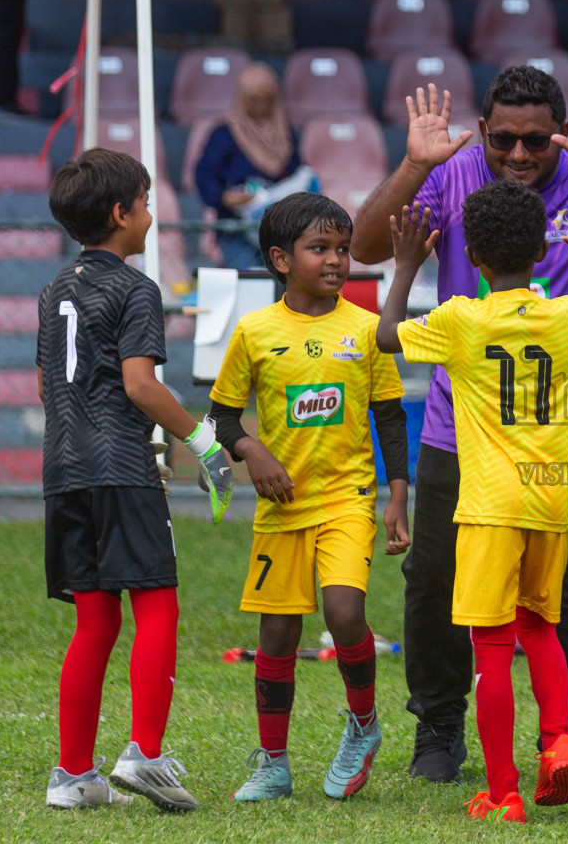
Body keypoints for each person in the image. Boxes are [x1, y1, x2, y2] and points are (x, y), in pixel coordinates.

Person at [350, 67, 568, 789]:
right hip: (460, 439)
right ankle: (440, 733)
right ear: (480, 133)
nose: (518, 153)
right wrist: (415, 162)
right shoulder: (449, 173)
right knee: (434, 581)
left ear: (559, 134)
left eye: (536, 141)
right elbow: (364, 244)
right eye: (504, 139)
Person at [377, 185, 568, 823]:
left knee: (492, 644)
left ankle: (503, 792)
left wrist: (407, 260)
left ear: (471, 253)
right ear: (546, 246)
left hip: (490, 505)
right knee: (541, 627)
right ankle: (559, 741)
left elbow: (386, 336)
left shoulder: (461, 319)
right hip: (553, 498)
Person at [38, 148, 234, 812]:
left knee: (94, 621)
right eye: (146, 203)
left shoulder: (54, 289)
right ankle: (145, 755)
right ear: (121, 214)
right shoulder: (134, 287)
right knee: (156, 605)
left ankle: (72, 776)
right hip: (120, 467)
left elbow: (48, 385)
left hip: (62, 469)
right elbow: (141, 385)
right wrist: (205, 444)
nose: (150, 214)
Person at [205, 192, 410, 803]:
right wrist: (252, 451)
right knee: (277, 638)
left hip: (348, 499)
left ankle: (364, 726)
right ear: (279, 258)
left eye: (342, 249)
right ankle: (273, 764)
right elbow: (221, 419)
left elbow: (392, 418)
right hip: (281, 509)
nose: (336, 260)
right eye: (319, 248)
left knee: (344, 613)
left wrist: (398, 497)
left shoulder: (367, 329)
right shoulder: (255, 332)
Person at [195, 64, 311, 271]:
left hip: (280, 233)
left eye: (267, 100)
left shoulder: (285, 134)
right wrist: (225, 197)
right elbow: (204, 175)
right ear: (241, 98)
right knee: (248, 286)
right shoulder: (224, 134)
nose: (261, 106)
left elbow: (295, 172)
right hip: (237, 231)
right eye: (253, 100)